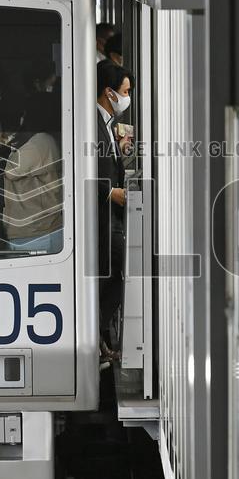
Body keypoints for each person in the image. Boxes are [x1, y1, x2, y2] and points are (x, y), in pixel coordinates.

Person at [0, 98, 63, 254]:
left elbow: (12, 171)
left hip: (35, 233)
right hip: (40, 230)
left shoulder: (39, 142)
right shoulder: (45, 140)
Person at [96, 60, 131, 342]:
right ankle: (98, 334)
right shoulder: (92, 124)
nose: (127, 98)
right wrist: (111, 193)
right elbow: (85, 170)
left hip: (111, 217)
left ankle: (101, 335)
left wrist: (118, 151)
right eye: (125, 91)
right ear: (109, 92)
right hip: (103, 217)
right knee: (116, 274)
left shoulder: (108, 123)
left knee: (115, 274)